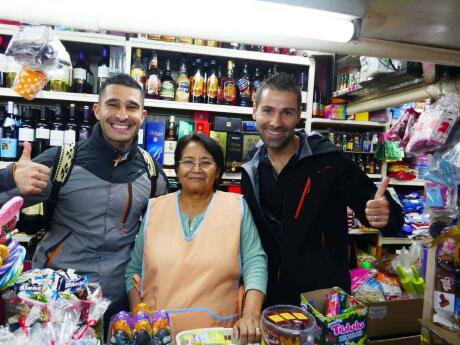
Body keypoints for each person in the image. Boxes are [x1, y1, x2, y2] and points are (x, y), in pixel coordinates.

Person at [0, 74, 169, 327]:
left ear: (142, 116)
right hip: (58, 300)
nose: (122, 115)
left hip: (118, 302)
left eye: (131, 107)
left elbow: (164, 234)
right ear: (97, 110)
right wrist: (10, 177)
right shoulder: (63, 161)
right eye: (113, 104)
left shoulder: (151, 172)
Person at [241, 73, 404, 306]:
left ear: (298, 114)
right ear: (254, 110)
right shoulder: (252, 167)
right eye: (268, 110)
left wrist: (385, 213)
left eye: (286, 112)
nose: (276, 122)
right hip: (269, 294)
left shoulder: (330, 162)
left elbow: (388, 215)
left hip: (323, 297)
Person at [125, 134, 267, 344]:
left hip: (218, 335)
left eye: (206, 163)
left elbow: (255, 263)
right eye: (188, 162)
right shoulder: (155, 208)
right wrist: (139, 318)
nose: (197, 169)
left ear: (218, 170)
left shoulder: (236, 207)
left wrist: (251, 315)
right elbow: (133, 271)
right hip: (160, 335)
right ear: (177, 169)